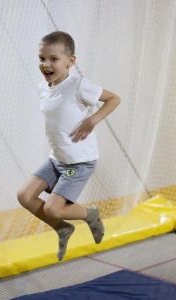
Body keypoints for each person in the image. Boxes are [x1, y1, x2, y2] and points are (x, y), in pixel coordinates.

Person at [17, 31, 120, 261]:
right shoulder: (44, 87)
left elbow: (114, 99)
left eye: (54, 59)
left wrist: (92, 120)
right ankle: (62, 228)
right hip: (57, 160)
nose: (46, 64)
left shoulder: (79, 85)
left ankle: (89, 214)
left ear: (70, 61)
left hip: (79, 163)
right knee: (24, 196)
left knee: (53, 208)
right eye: (42, 58)